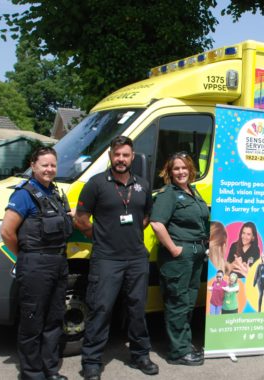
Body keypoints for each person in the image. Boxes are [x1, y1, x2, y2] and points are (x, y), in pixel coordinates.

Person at [75, 136, 158, 379]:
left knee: (137, 309)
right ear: (111, 156)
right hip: (106, 258)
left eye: (126, 155)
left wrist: (129, 236)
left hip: (136, 258)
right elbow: (81, 219)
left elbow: (145, 217)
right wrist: (101, 236)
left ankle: (140, 355)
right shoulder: (96, 183)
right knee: (101, 308)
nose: (121, 159)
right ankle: (91, 362)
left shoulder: (142, 184)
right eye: (117, 154)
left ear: (133, 157)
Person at [1, 146, 73, 380]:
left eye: (53, 165)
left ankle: (50, 370)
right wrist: (24, 255)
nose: (50, 169)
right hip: (35, 263)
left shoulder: (56, 193)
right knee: (32, 321)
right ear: (33, 166)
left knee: (54, 320)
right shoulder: (23, 194)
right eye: (45, 165)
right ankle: (31, 373)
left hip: (58, 262)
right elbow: (7, 232)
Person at [150, 151, 209, 366]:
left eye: (184, 167)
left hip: (194, 257)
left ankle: (184, 343)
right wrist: (174, 250)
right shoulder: (169, 194)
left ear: (190, 169)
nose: (181, 171)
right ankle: (178, 352)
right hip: (179, 259)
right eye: (176, 168)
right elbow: (157, 223)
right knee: (178, 302)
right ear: (170, 172)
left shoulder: (193, 192)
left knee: (188, 302)